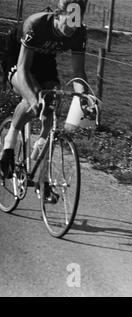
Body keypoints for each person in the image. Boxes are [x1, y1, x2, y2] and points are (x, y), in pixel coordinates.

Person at [0, 0, 89, 202]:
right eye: (67, 26)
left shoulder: (79, 32)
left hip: (45, 59)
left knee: (51, 106)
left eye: (75, 27)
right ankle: (8, 145)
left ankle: (41, 178)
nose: (70, 31)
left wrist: (84, 98)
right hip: (18, 57)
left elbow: (78, 73)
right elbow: (23, 71)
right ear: (58, 15)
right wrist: (33, 99)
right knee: (36, 98)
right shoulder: (36, 24)